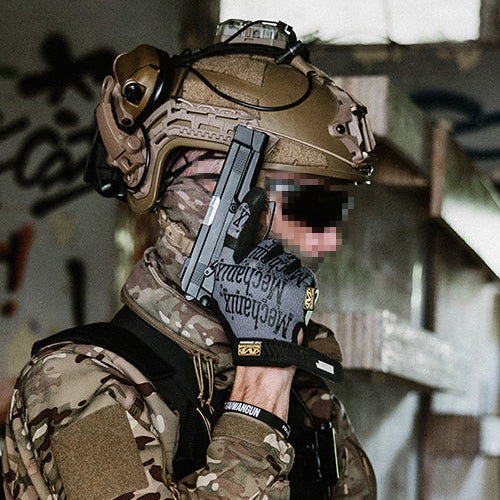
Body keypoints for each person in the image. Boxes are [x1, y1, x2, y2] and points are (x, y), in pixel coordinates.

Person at [1, 20, 377, 499]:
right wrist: (260, 394)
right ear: (213, 201)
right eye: (310, 209)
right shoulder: (75, 386)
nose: (325, 243)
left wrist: (271, 368)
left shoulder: (304, 395)